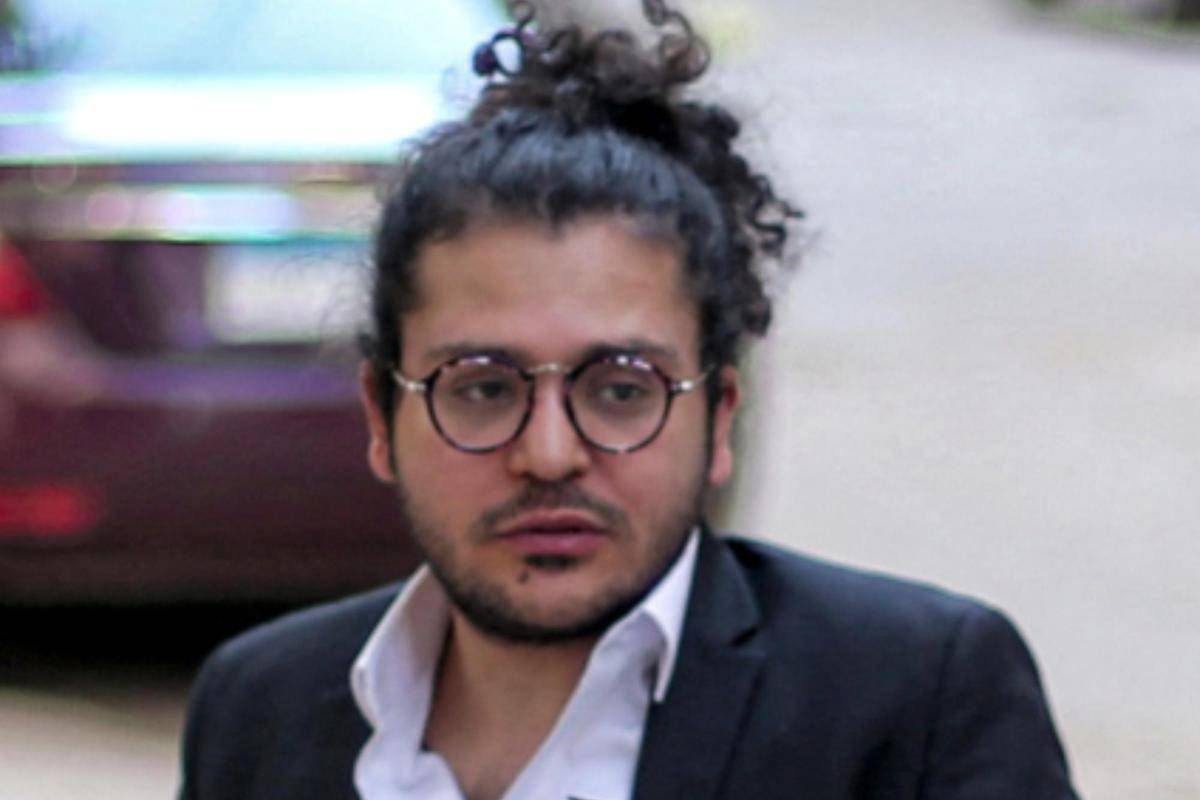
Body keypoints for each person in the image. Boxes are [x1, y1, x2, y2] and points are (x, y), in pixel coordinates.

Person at [178, 3, 1079, 798]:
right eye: (483, 387)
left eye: (620, 390)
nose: (549, 453)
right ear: (382, 416)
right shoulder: (260, 707)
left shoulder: (914, 701)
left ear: (718, 417)